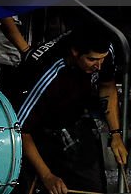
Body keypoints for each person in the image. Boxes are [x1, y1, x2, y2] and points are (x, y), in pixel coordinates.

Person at [15, 24, 127, 194]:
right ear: (75, 52)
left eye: (102, 59)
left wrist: (116, 134)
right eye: (92, 60)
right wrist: (47, 176)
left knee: (93, 187)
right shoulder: (47, 72)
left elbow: (106, 86)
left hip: (74, 118)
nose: (98, 66)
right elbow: (20, 130)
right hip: (37, 131)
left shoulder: (105, 50)